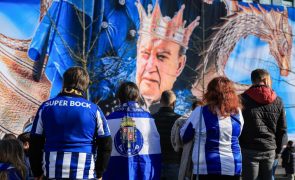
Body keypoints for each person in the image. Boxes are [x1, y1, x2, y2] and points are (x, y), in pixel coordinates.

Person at [29, 66, 112, 179]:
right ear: (85, 85)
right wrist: (100, 172)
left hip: (52, 172)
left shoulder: (46, 107)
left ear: (64, 83)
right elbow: (106, 143)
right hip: (84, 173)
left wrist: (37, 172)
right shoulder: (94, 109)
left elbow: (35, 142)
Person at [135, 1, 199, 112]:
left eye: (161, 57)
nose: (150, 66)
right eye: (145, 53)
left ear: (179, 65)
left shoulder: (188, 115)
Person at [180, 76, 244, 179]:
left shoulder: (200, 111)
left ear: (210, 93)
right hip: (233, 166)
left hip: (205, 168)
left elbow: (184, 136)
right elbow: (238, 134)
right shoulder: (237, 113)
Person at [103, 81, 161, 180]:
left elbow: (104, 148)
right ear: (137, 96)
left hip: (116, 171)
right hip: (142, 171)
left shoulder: (108, 119)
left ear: (119, 97)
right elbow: (154, 147)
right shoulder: (148, 118)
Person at [240, 69, 287, 180]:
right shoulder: (278, 101)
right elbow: (282, 130)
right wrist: (278, 151)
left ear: (253, 80)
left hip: (248, 149)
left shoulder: (241, 99)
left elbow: (237, 127)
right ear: (266, 80)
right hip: (270, 150)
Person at [171, 99, 203, 180]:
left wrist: (177, 146)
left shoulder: (181, 119)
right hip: (200, 158)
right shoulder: (203, 119)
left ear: (192, 108)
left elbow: (174, 139)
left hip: (184, 154)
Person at [152, 90, 181, 180]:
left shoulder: (152, 118)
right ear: (174, 103)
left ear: (160, 102)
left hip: (155, 163)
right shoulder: (179, 120)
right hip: (174, 162)